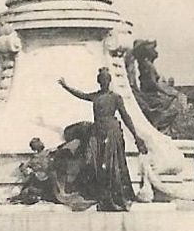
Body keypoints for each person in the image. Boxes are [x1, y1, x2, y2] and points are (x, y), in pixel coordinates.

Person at [59, 67, 147, 211]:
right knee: (91, 160)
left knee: (111, 164)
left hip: (111, 132)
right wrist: (66, 86)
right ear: (99, 81)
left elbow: (125, 116)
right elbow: (81, 95)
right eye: (102, 80)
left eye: (106, 80)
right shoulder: (96, 96)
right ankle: (96, 193)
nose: (104, 82)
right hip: (97, 131)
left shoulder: (116, 97)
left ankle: (114, 196)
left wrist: (135, 135)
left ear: (109, 81)